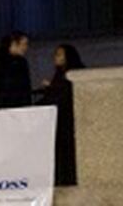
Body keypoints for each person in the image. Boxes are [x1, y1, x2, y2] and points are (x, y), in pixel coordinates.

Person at [39, 44, 85, 185]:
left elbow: (64, 95)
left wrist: (51, 88)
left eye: (59, 54)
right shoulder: (59, 75)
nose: (55, 57)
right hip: (60, 122)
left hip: (69, 121)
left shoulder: (75, 74)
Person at [0, 31, 33, 108]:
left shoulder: (22, 62)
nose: (26, 48)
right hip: (4, 106)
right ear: (14, 44)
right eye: (24, 44)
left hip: (21, 107)